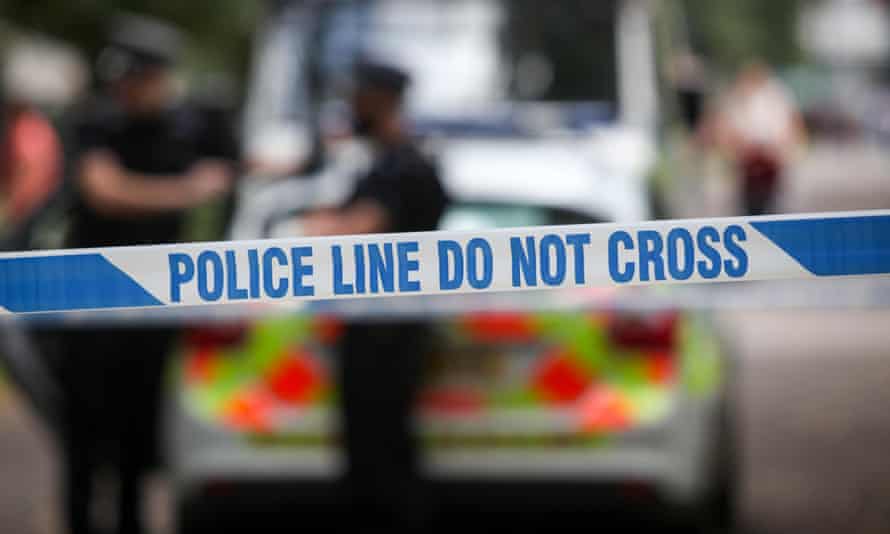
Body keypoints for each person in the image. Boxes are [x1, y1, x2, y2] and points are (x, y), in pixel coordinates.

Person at [59, 14, 236, 534]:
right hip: (89, 302)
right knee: (83, 437)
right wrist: (188, 190)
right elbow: (104, 191)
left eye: (138, 79)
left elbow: (234, 173)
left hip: (153, 307)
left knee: (138, 436)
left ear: (159, 77)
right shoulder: (95, 122)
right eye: (122, 80)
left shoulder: (191, 125)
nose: (127, 90)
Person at [301, 61, 448, 531]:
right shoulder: (385, 161)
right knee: (371, 448)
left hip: (388, 331)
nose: (351, 107)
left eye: (358, 98)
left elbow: (362, 225)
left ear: (382, 100)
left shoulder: (404, 164)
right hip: (374, 326)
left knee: (381, 450)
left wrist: (313, 227)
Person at [702, 61, 805, 215]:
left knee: (773, 203)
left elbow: (792, 125)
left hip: (770, 160)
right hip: (747, 161)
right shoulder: (736, 98)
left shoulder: (777, 96)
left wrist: (782, 149)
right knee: (749, 204)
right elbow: (724, 127)